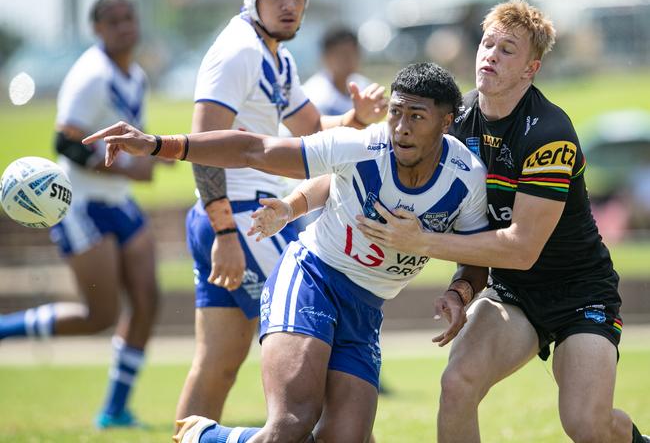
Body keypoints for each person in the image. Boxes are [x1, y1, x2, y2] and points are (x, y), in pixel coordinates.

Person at [84, 62, 490, 443]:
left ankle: (212, 438)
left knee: (346, 439)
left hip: (367, 307)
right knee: (292, 422)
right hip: (313, 278)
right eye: (396, 113)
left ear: (446, 121)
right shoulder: (363, 147)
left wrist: (459, 294)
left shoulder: (466, 177)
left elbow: (475, 258)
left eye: (416, 116)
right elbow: (255, 149)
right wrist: (157, 144)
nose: (401, 128)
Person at [355, 0, 649, 443]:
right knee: (456, 385)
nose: (490, 54)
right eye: (487, 43)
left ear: (531, 68)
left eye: (507, 49)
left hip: (579, 292)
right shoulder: (455, 122)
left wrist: (422, 242)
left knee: (587, 425)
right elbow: (461, 215)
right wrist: (462, 287)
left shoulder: (549, 133)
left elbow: (520, 246)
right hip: (512, 292)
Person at [175, 0, 387, 427]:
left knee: (218, 365)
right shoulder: (241, 51)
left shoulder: (276, 54)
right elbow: (204, 145)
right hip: (244, 218)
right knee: (321, 355)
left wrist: (357, 120)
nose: (289, 5)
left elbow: (310, 129)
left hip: (237, 218)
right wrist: (226, 232)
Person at [0, 0, 160, 429]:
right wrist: (127, 166)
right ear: (98, 30)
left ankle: (115, 410)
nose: (125, 27)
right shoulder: (90, 75)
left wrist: (158, 154)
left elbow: (129, 141)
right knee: (100, 316)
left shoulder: (136, 76)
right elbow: (65, 142)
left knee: (148, 300)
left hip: (118, 202)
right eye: (114, 22)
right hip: (79, 205)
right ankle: (3, 330)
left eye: (130, 18)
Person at [302, 26, 371, 116]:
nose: (348, 59)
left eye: (352, 53)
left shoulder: (364, 86)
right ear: (326, 57)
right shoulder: (315, 94)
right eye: (342, 54)